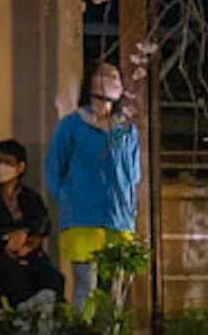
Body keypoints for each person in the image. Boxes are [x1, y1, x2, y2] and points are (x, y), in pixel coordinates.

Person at [44, 60, 143, 311]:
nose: (111, 79)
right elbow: (54, 168)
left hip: (118, 218)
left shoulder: (126, 130)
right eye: (104, 74)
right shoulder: (71, 125)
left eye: (115, 76)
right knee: (85, 287)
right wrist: (68, 198)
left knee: (114, 290)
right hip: (82, 217)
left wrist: (129, 204)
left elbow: (133, 173)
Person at [0, 136, 58, 315]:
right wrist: (6, 243)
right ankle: (21, 325)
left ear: (20, 167)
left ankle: (47, 324)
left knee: (52, 279)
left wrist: (28, 240)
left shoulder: (29, 196)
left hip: (28, 254)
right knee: (16, 281)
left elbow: (43, 222)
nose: (0, 167)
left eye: (8, 162)